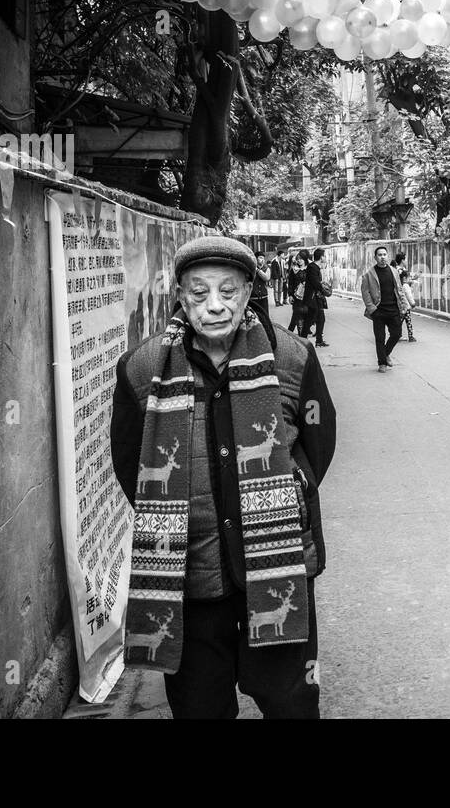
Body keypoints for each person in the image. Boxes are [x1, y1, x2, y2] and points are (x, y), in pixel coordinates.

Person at [109, 235, 336, 719]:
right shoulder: (142, 368)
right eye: (199, 293)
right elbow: (132, 464)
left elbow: (318, 447)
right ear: (180, 297)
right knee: (199, 706)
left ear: (249, 290)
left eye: (228, 291)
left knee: (288, 697)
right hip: (190, 571)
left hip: (275, 562)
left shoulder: (292, 358)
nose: (214, 306)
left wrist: (282, 500)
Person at [360, 245, 408, 372]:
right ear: (375, 257)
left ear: (388, 256)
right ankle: (382, 363)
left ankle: (385, 354)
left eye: (384, 254)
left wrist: (403, 305)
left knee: (397, 334)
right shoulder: (369, 274)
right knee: (379, 338)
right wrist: (372, 309)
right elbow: (365, 293)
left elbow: (399, 289)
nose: (382, 257)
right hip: (378, 311)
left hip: (393, 310)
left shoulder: (394, 271)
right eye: (380, 255)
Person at [305, 248, 329, 347]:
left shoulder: (316, 267)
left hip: (316, 298)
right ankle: (303, 339)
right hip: (312, 298)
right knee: (310, 320)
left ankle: (318, 340)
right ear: (321, 256)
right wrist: (324, 288)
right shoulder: (312, 267)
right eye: (325, 256)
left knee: (320, 319)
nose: (325, 258)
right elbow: (315, 283)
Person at [392, 252, 417, 343]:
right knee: (403, 317)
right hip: (402, 298)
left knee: (403, 317)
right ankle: (400, 335)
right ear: (402, 260)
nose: (406, 261)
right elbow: (401, 284)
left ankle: (400, 335)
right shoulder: (399, 270)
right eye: (405, 259)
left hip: (402, 297)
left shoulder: (400, 269)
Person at [287, 251, 310, 336]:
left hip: (307, 297)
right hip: (297, 297)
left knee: (300, 317)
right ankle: (301, 336)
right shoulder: (294, 270)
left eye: (301, 259)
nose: (299, 261)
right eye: (298, 259)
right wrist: (290, 295)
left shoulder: (309, 269)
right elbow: (290, 284)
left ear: (305, 259)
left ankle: (289, 333)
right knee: (297, 315)